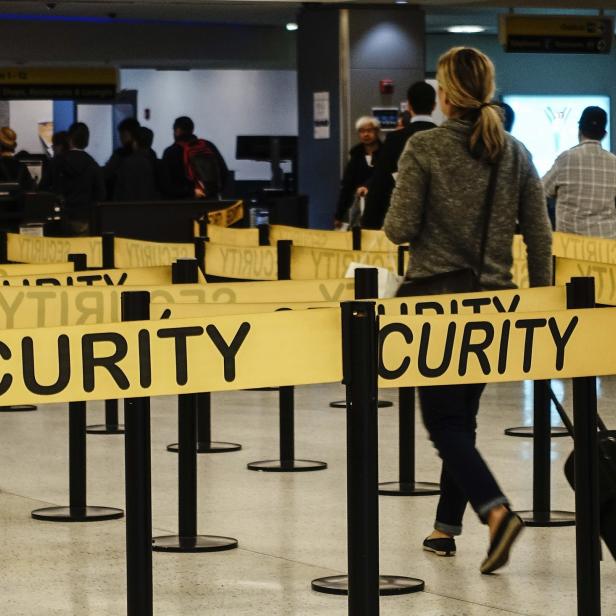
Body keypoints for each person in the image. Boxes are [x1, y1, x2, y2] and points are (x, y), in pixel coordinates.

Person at [384, 47, 552, 574]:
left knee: (442, 422)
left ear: (444, 94)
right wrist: (539, 301)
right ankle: (445, 529)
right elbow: (540, 237)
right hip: (496, 303)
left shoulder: (425, 146)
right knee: (464, 418)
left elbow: (399, 228)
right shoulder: (515, 152)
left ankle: (496, 511)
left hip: (435, 302)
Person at [361, 82, 437, 229]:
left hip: (402, 221)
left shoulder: (395, 139)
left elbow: (380, 184)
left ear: (408, 106)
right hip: (435, 224)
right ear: (434, 106)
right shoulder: (443, 138)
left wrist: (369, 225)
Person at [543, 106, 616, 238]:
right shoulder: (614, 162)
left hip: (570, 250)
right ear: (604, 134)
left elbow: (540, 191)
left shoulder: (566, 159)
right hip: (607, 250)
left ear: (579, 130)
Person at [53, 122, 105, 235]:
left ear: (69, 139)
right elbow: (100, 194)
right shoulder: (93, 165)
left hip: (61, 218)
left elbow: (46, 188)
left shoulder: (57, 162)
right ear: (87, 141)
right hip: (86, 218)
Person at [161, 116, 228, 200]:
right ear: (192, 130)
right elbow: (223, 171)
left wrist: (190, 192)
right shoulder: (207, 146)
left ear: (177, 130)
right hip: (210, 199)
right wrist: (214, 191)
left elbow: (167, 184)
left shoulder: (171, 152)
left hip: (184, 203)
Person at [334, 116, 381, 228]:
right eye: (362, 131)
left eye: (369, 130)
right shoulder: (355, 155)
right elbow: (347, 186)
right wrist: (339, 215)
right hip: (359, 205)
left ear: (377, 131)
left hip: (381, 205)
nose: (366, 134)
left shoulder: (386, 153)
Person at [114, 127, 161, 202]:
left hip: (129, 208)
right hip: (152, 208)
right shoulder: (156, 162)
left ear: (134, 143)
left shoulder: (127, 163)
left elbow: (122, 190)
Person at [104, 117, 140, 197]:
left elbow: (107, 173)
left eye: (122, 134)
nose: (120, 138)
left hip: (122, 199)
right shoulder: (148, 153)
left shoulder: (120, 154)